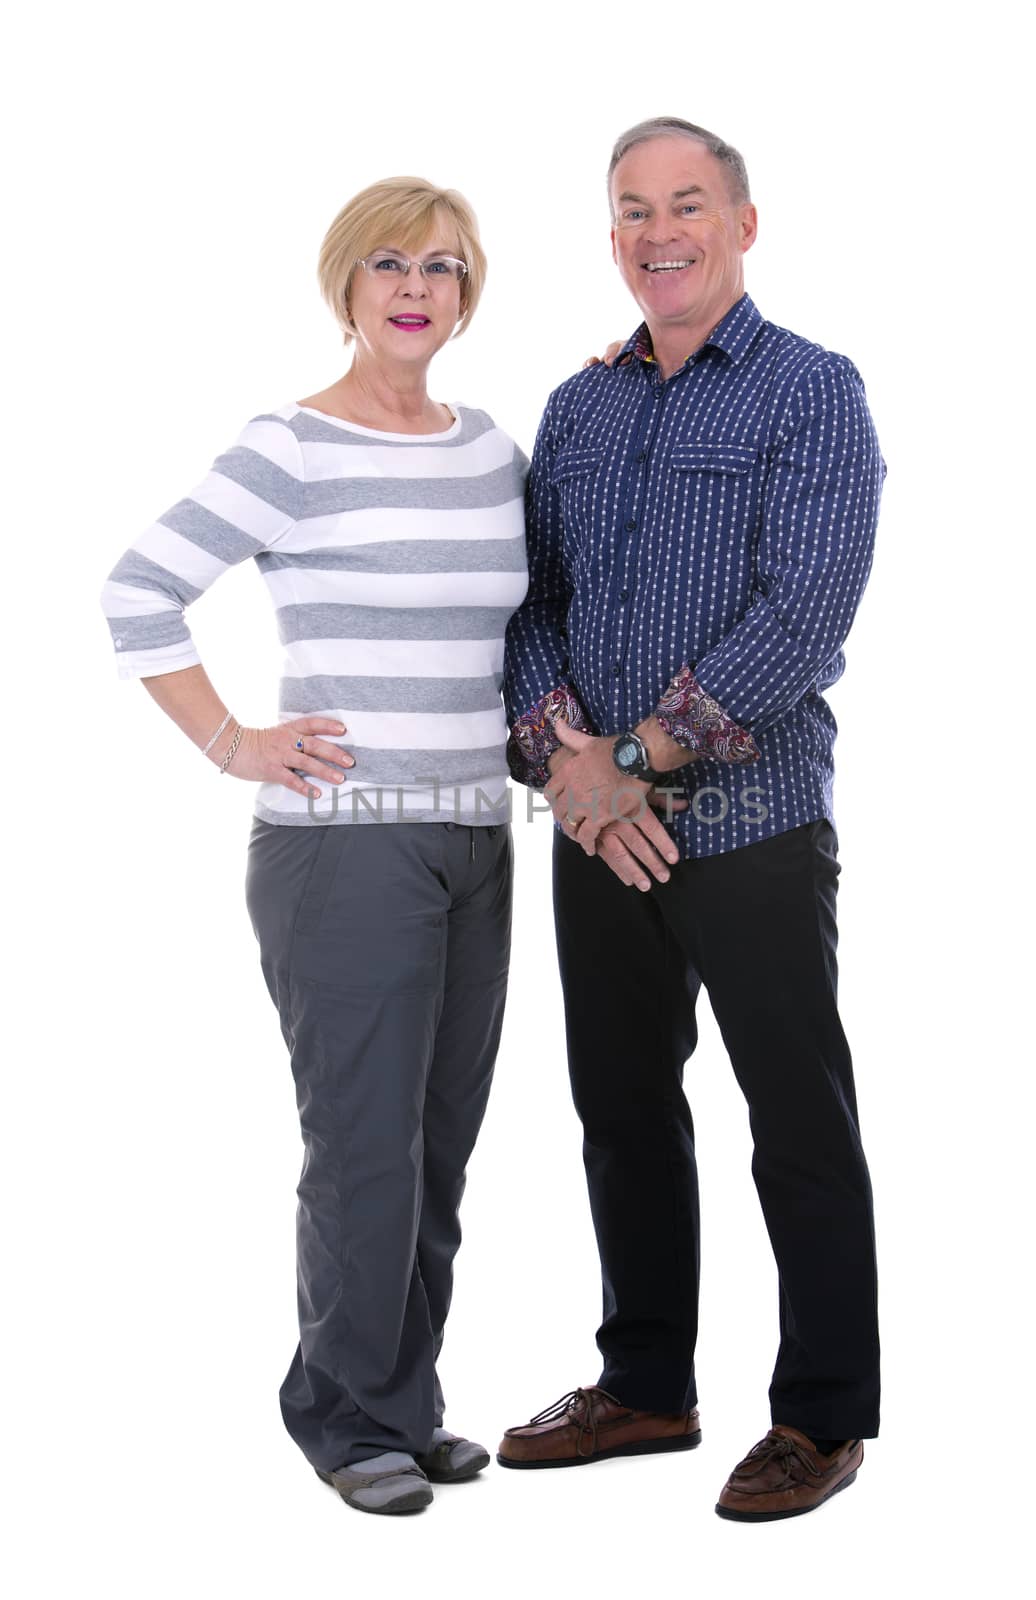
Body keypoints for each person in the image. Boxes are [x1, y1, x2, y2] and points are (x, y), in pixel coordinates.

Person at [100, 177, 528, 1516]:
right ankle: (340, 1416)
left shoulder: (490, 448)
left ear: (469, 295)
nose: (416, 288)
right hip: (343, 852)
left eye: (445, 269)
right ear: (345, 286)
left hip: (477, 840)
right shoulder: (290, 444)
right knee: (365, 1146)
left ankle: (405, 1401)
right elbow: (138, 589)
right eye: (390, 264)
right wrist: (233, 740)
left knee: (439, 1144)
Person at [499, 117, 884, 1521]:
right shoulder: (581, 406)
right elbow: (529, 603)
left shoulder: (812, 392)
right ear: (612, 237)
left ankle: (824, 1415)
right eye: (632, 211)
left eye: (686, 205)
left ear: (743, 222)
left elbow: (806, 617)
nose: (658, 232)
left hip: (754, 822)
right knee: (620, 1108)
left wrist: (638, 759)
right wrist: (569, 772)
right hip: (593, 827)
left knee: (796, 1116)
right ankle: (646, 1384)